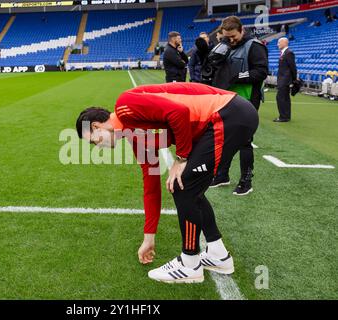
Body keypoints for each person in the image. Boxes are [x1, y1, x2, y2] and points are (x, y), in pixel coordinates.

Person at [75, 82, 259, 283]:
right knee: (191, 188)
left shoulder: (124, 104)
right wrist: (149, 237)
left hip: (229, 114)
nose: (97, 146)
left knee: (184, 186)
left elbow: (178, 112)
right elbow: (151, 188)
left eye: (92, 141)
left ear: (95, 126)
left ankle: (190, 264)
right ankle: (218, 254)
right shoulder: (135, 139)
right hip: (222, 119)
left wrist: (181, 159)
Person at [208, 16, 268, 196]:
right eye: (227, 37)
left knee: (244, 142)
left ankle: (246, 181)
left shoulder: (255, 46)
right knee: (225, 139)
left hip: (247, 101)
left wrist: (237, 76)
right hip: (228, 99)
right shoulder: (226, 45)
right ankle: (222, 175)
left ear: (242, 30)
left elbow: (262, 72)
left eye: (233, 36)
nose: (230, 40)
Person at [275, 37, 297, 122]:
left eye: (279, 42)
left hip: (285, 80)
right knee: (284, 98)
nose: (277, 44)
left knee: (282, 98)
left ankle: (283, 117)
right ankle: (285, 116)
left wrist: (294, 80)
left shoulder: (289, 53)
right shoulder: (284, 53)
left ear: (284, 43)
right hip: (283, 79)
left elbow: (293, 67)